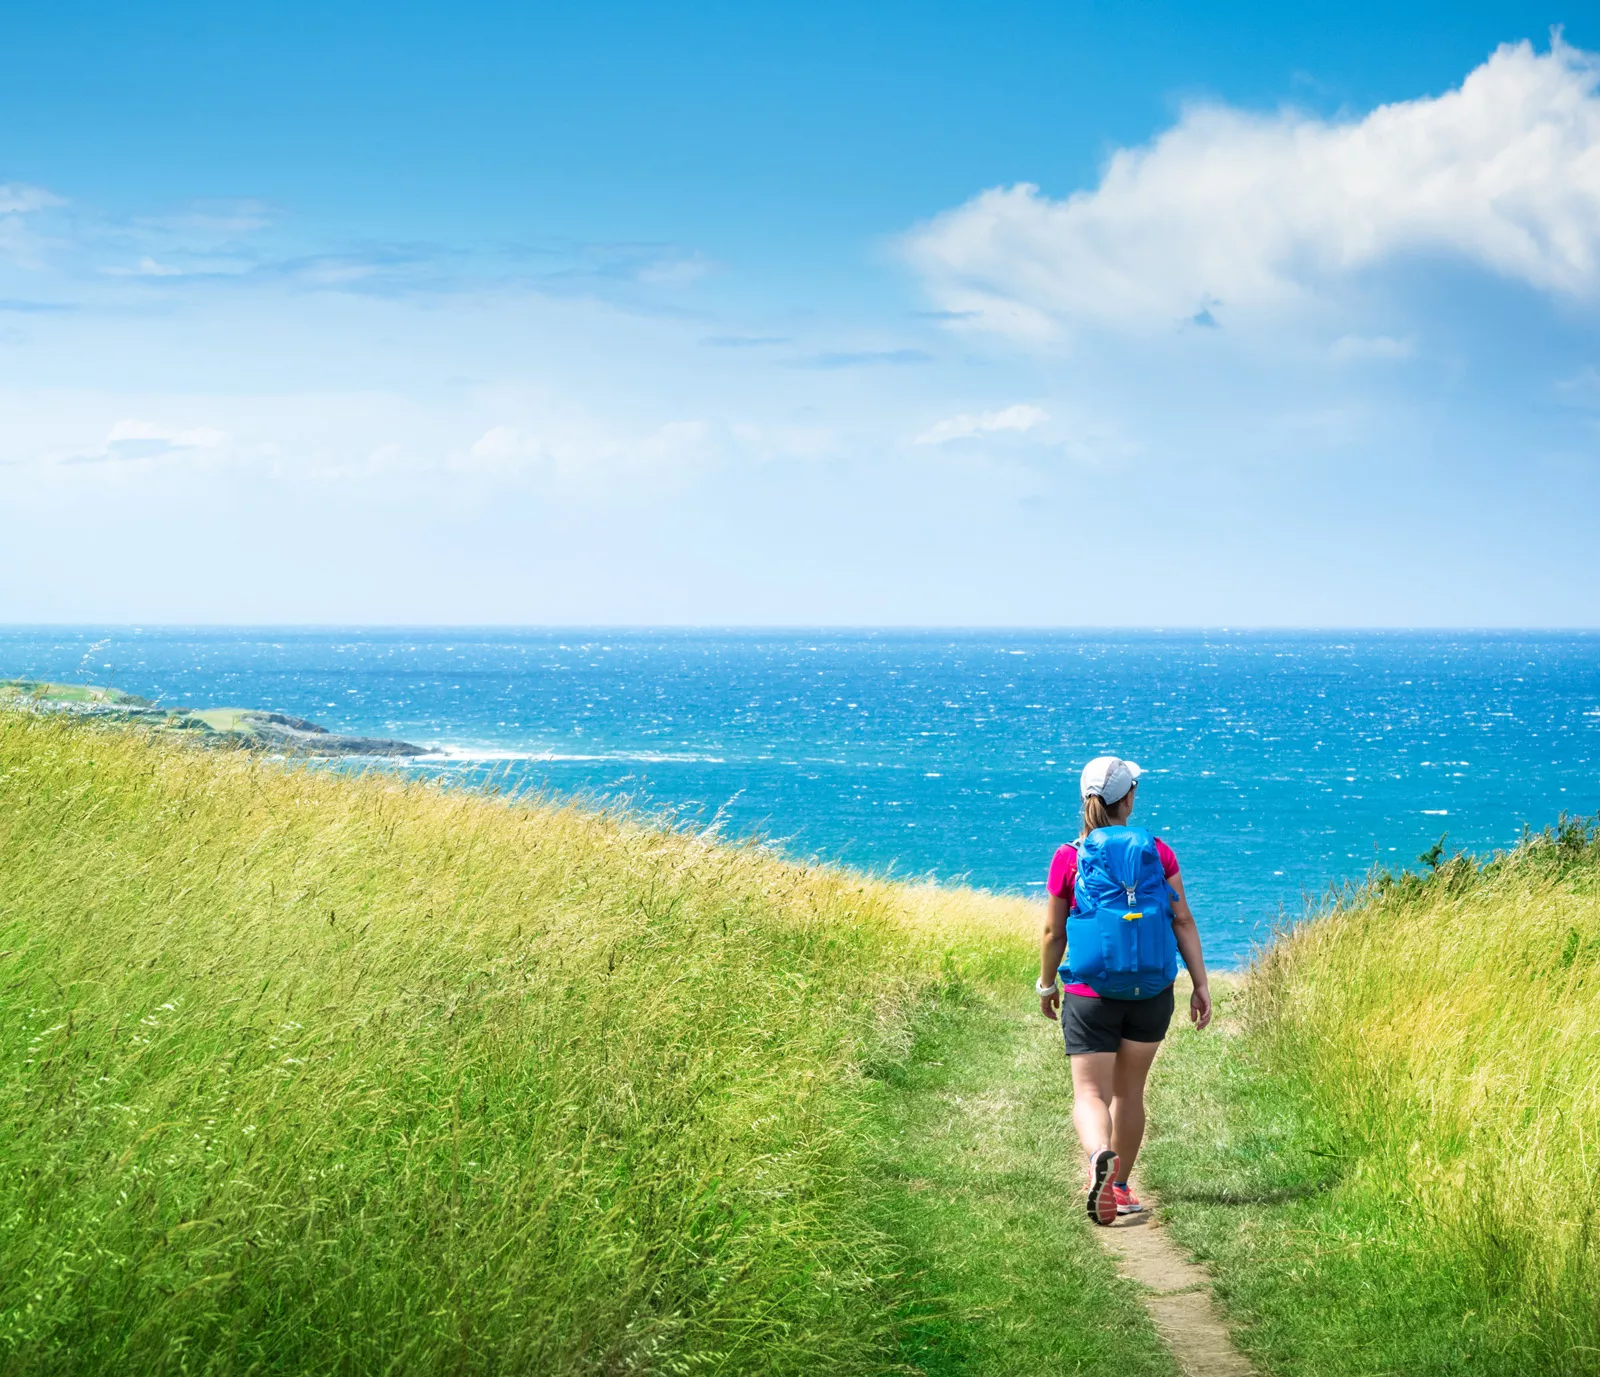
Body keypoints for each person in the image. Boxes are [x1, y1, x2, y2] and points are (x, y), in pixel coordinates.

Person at [1037, 755, 1212, 1226]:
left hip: (1089, 992)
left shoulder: (1068, 857)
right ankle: (1119, 1186)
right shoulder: (1158, 851)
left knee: (1090, 1092)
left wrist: (1045, 983)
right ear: (1128, 798)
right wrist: (1200, 983)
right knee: (1130, 1091)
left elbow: (1055, 934)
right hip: (1151, 990)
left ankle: (1099, 1154)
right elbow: (1182, 919)